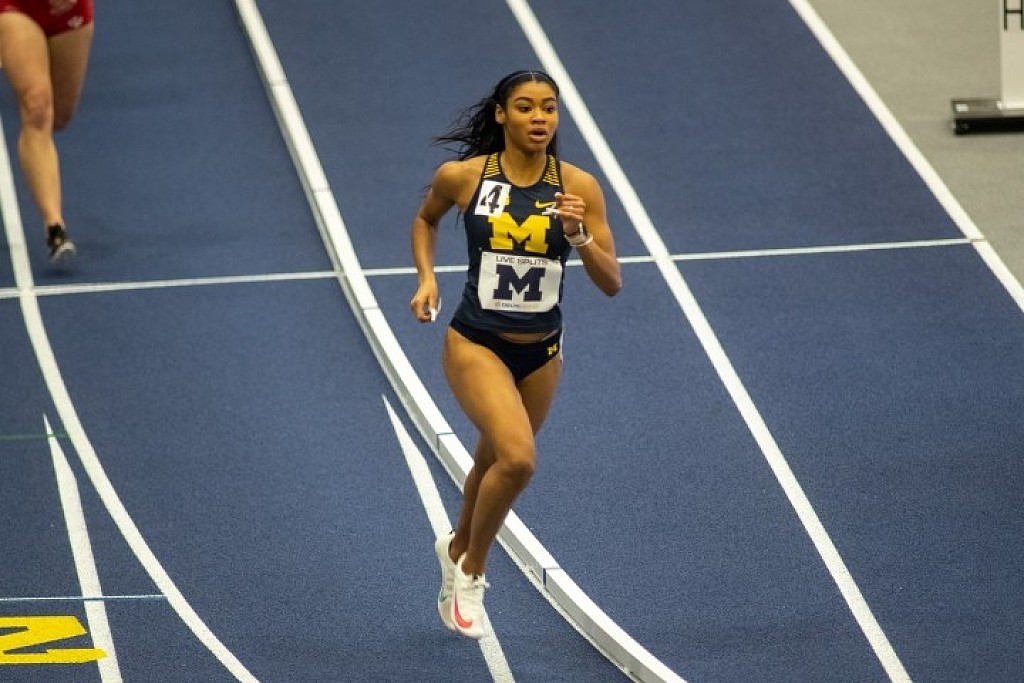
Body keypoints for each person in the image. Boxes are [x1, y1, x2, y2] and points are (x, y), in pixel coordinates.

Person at [409, 69, 622, 639]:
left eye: (548, 107)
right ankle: (472, 571)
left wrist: (578, 235)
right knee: (519, 460)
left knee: (491, 464)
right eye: (526, 107)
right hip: (476, 342)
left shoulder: (580, 188)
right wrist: (427, 278)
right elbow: (426, 220)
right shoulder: (463, 177)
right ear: (501, 114)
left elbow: (611, 282)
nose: (539, 117)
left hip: (542, 352)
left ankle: (456, 544)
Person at [0, 0, 94, 264]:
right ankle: (55, 226)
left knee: (59, 117)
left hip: (70, 9)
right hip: (15, 7)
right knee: (37, 106)